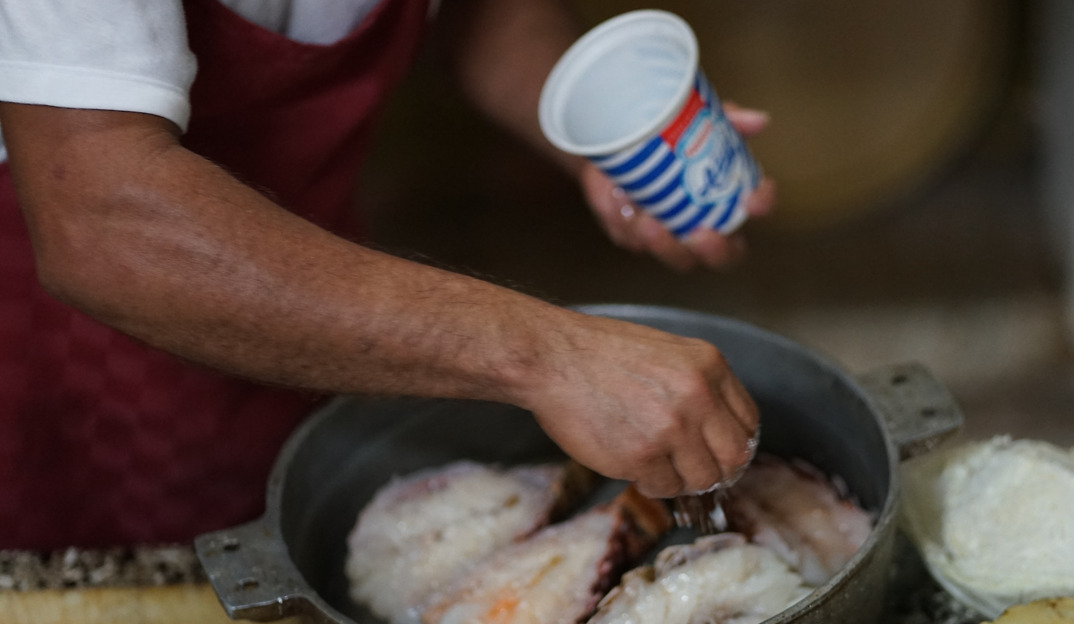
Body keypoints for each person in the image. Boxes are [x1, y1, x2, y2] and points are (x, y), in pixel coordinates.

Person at [0, 0, 776, 549]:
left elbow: (479, 13)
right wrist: (550, 355)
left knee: (285, 515)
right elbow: (101, 221)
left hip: (315, 277)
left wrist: (595, 119)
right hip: (64, 341)